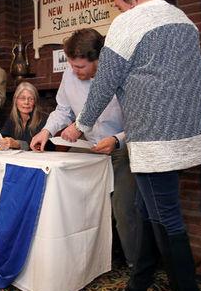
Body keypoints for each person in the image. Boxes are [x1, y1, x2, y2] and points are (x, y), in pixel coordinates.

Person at [60, 0, 201, 291]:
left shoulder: (128, 23)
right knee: (144, 211)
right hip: (184, 130)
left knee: (167, 218)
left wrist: (80, 125)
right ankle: (137, 287)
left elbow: (103, 85)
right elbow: (196, 73)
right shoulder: (181, 18)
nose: (114, 3)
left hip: (156, 138)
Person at [29, 28, 138, 268]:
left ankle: (135, 267)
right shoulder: (70, 73)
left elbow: (139, 120)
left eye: (80, 67)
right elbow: (63, 109)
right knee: (79, 200)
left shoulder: (121, 74)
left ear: (98, 59)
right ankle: (88, 259)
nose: (75, 72)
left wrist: (117, 140)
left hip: (121, 148)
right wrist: (46, 131)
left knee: (123, 209)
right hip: (88, 147)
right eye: (72, 66)